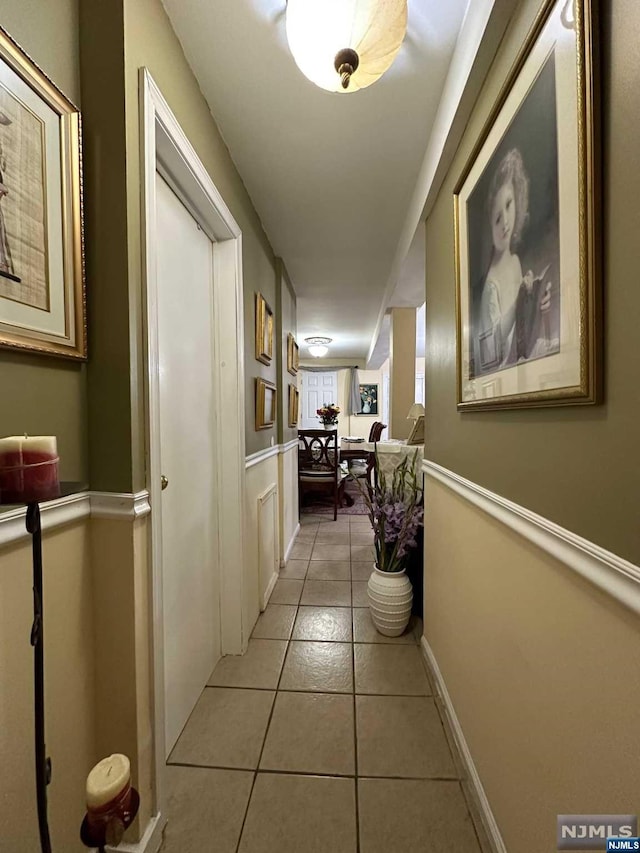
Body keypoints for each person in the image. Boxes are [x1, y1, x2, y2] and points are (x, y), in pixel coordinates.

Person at [474, 148, 550, 374]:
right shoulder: (490, 286)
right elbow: (490, 355)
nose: (505, 222)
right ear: (490, 225)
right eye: (497, 218)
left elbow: (524, 334)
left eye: (509, 205)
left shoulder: (516, 261)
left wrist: (537, 302)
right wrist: (519, 301)